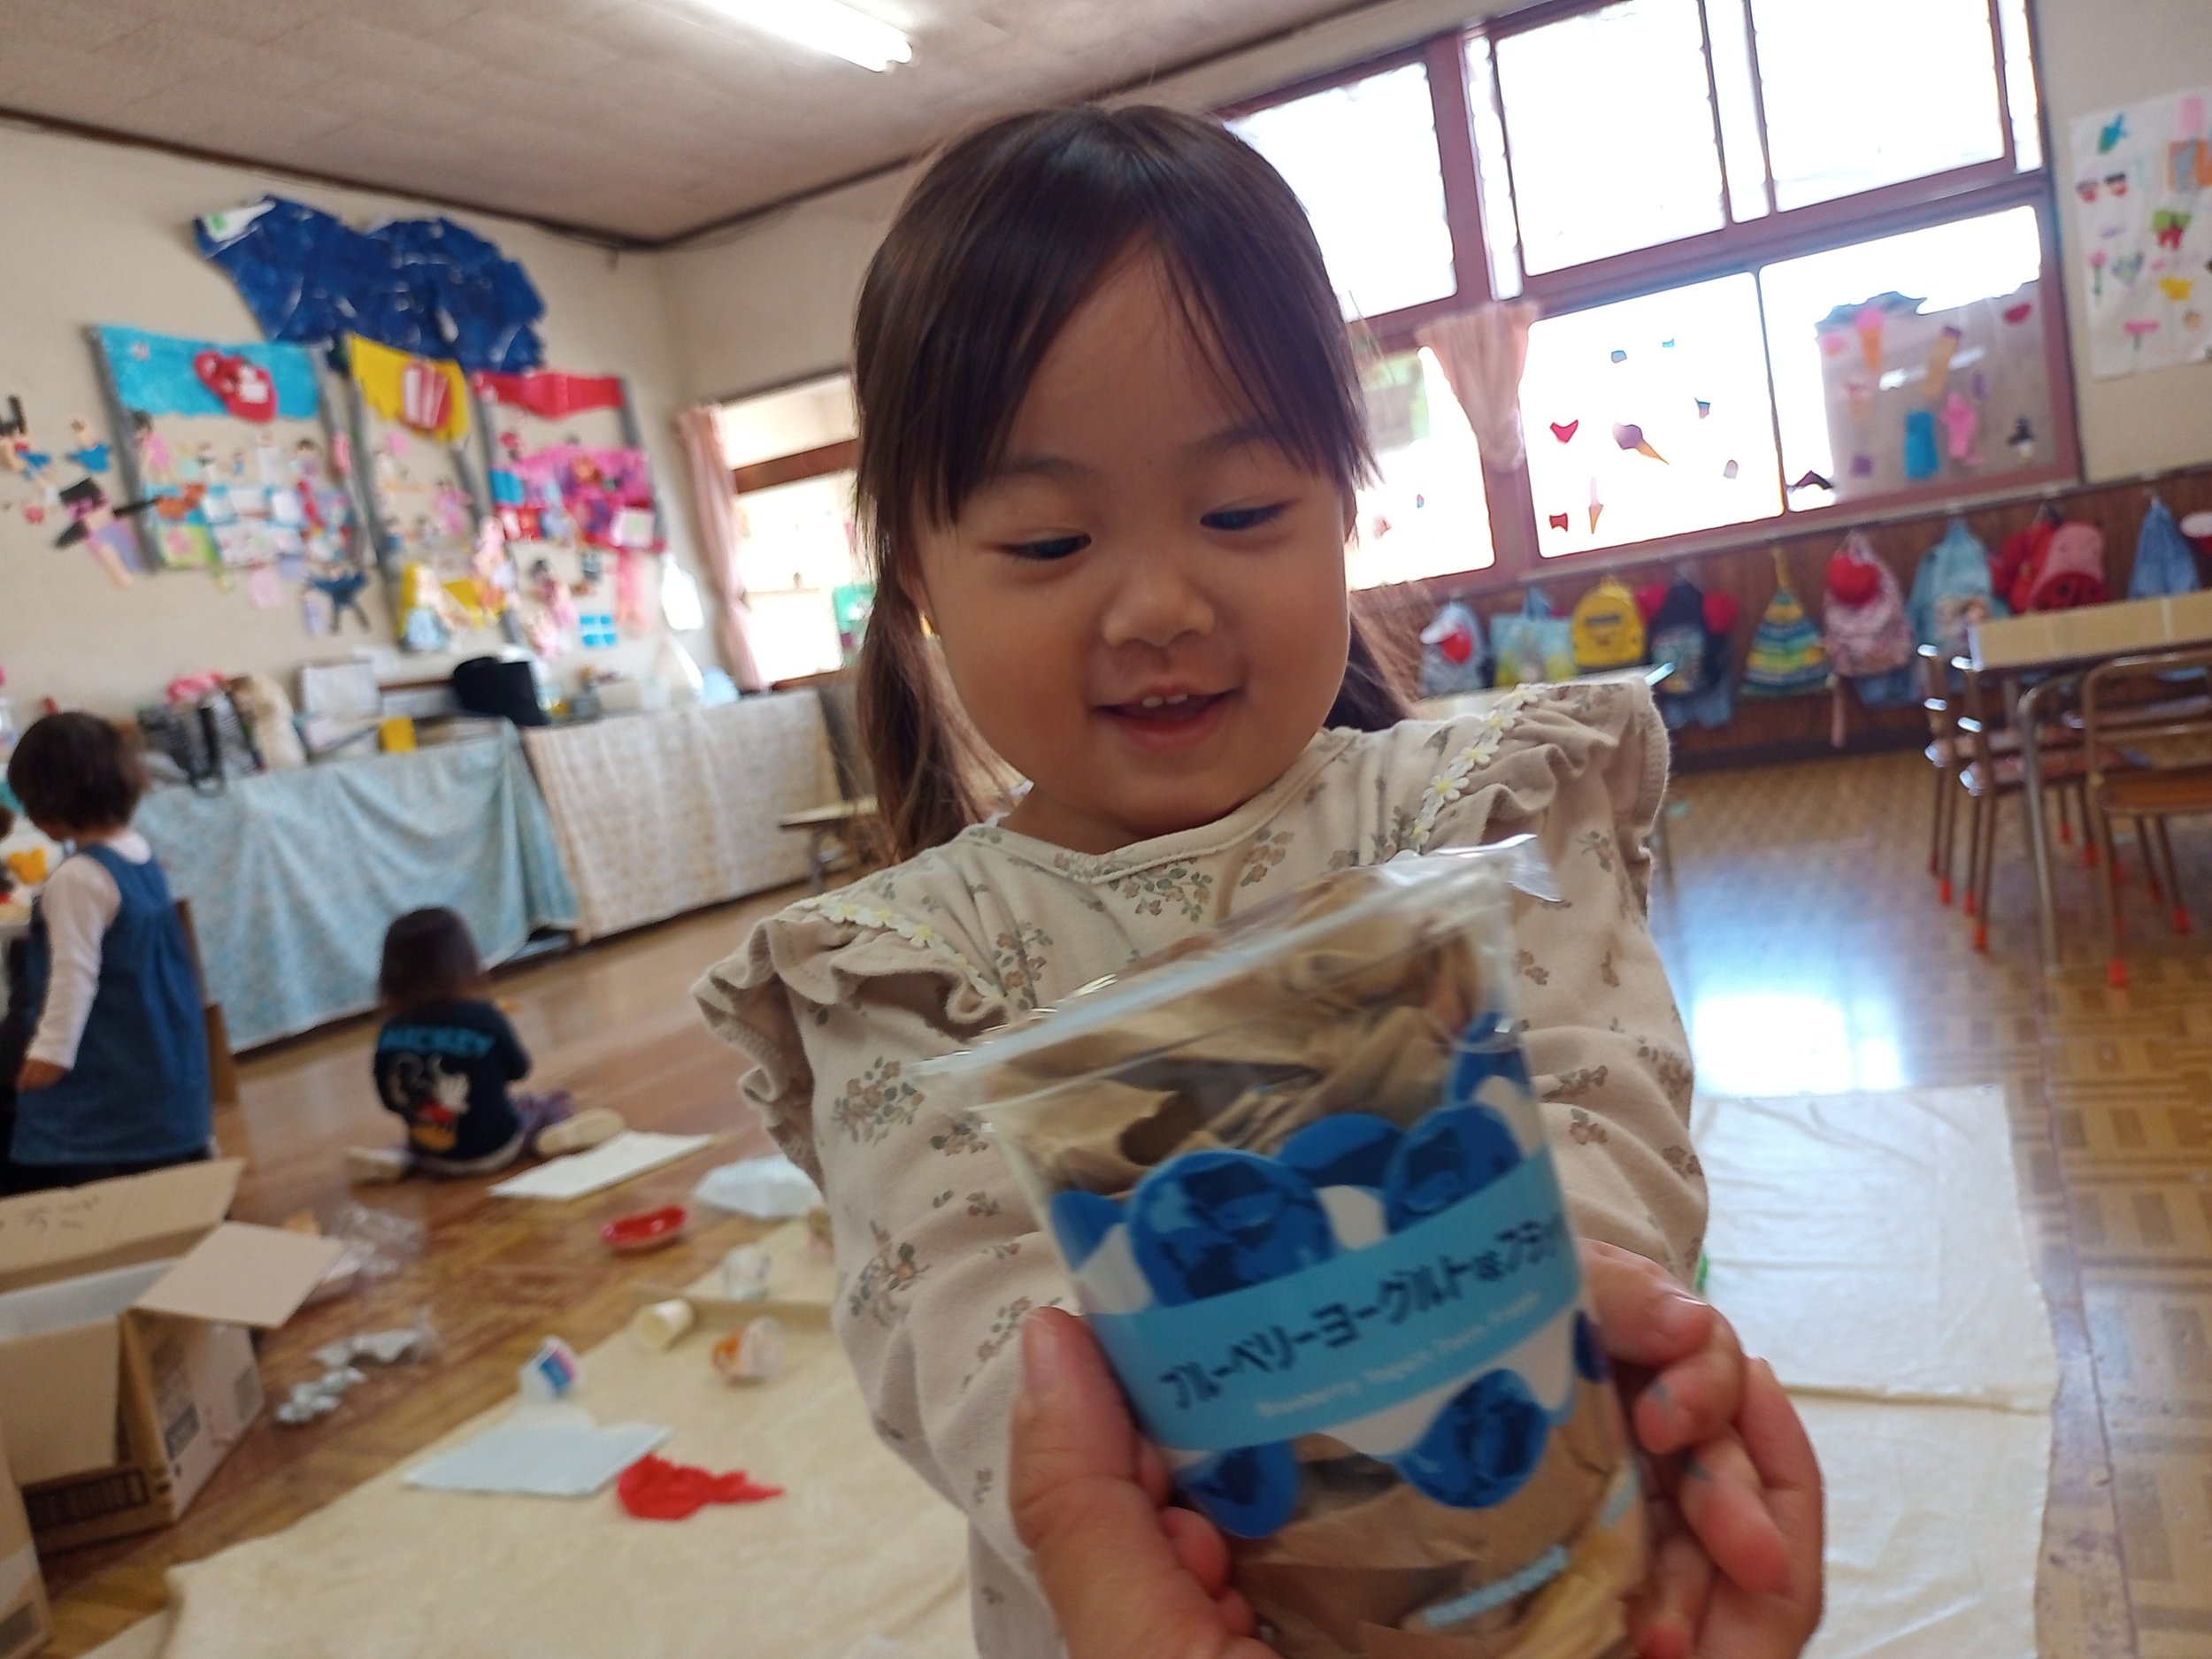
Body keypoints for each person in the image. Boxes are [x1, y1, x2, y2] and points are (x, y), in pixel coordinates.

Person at [695, 104, 1822, 1656]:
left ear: (1345, 511)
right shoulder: (904, 965)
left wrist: (1557, 1299)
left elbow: (1601, 1102)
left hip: (1533, 1547)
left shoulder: (1473, 814)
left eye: (1240, 513)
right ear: (917, 584)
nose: (1158, 604)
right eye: (1048, 541)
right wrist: (1212, 1469)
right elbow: (953, 1322)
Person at [1010, 1255, 1825, 1659]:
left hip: (1569, 1506)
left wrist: (1515, 1279)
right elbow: (964, 1251)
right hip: (1220, 1553)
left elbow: (1603, 1069)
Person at [3, 712, 211, 1194]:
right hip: (157, 1052)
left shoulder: (78, 877)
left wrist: (52, 1052)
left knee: (103, 1180)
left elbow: (73, 973)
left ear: (50, 802)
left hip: (108, 1063)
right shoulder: (138, 852)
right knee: (166, 1168)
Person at [351, 907, 621, 1181]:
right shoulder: (483, 1016)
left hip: (434, 1157)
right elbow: (519, 1069)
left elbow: (390, 1101)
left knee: (426, 1123)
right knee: (545, 1101)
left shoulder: (391, 1030)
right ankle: (556, 1128)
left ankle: (400, 1157)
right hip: (496, 1149)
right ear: (462, 960)